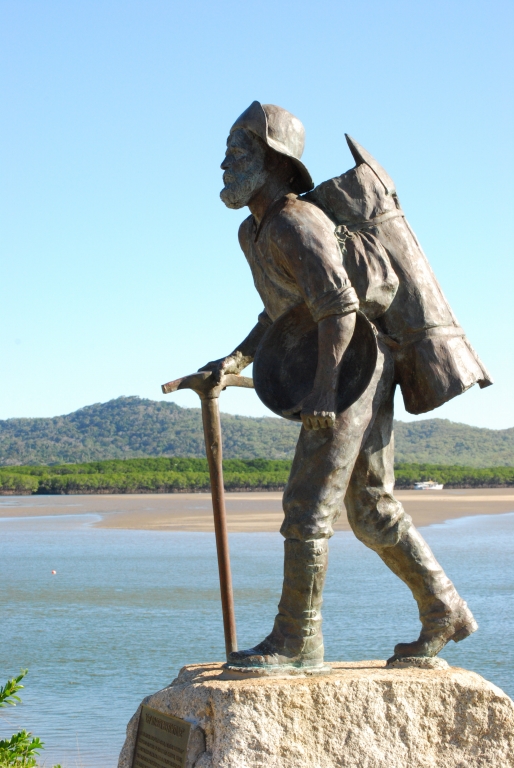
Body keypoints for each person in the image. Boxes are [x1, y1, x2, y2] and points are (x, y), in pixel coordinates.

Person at [199, 101, 492, 669]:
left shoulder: (295, 222)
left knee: (307, 504)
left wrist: (325, 390)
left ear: (275, 162)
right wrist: (233, 359)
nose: (225, 163)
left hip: (351, 368)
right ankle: (445, 609)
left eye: (239, 151)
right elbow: (282, 314)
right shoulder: (253, 233)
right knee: (371, 506)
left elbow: (338, 307)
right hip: (345, 368)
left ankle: (298, 642)